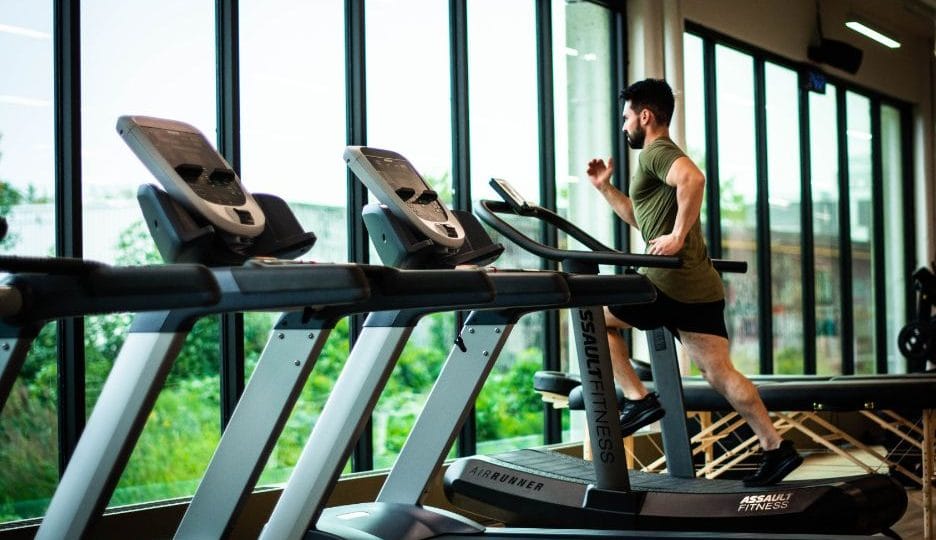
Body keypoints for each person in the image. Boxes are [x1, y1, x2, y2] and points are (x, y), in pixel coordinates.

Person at [586, 78, 802, 487]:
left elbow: (695, 180)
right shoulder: (657, 160)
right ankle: (775, 447)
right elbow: (641, 218)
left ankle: (638, 400)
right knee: (720, 373)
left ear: (644, 116)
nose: (624, 126)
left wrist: (679, 236)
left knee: (592, 316)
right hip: (699, 286)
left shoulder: (658, 152)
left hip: (665, 282)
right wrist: (605, 189)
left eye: (626, 117)